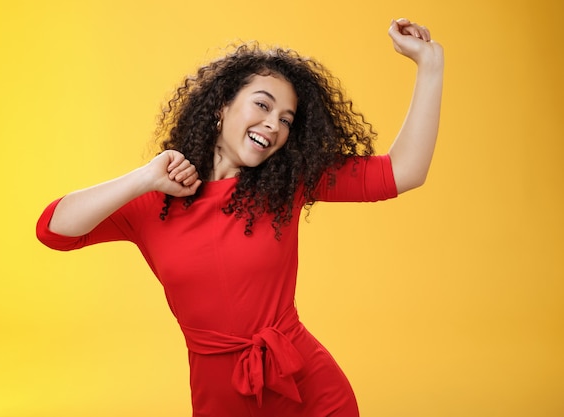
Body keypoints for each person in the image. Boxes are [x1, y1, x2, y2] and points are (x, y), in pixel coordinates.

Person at [36, 18, 443, 417]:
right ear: (221, 105)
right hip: (220, 398)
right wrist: (143, 177)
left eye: (286, 119)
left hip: (309, 391)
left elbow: (404, 171)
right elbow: (53, 229)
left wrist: (430, 65)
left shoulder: (288, 182)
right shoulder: (154, 200)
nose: (273, 124)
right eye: (262, 105)